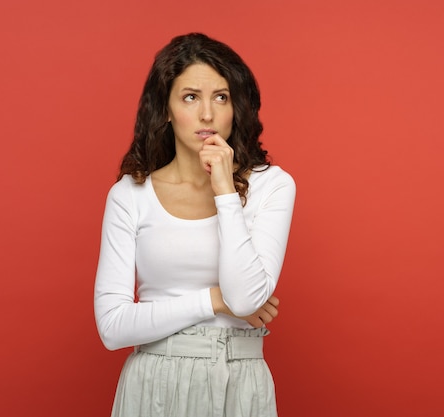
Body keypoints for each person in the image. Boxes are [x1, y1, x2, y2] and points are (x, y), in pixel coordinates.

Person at [93, 32, 296, 417]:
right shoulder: (130, 194)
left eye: (221, 97)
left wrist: (223, 189)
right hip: (154, 383)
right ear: (166, 109)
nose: (207, 114)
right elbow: (113, 326)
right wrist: (214, 301)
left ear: (237, 106)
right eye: (191, 97)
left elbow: (246, 299)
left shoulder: (273, 185)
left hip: (240, 380)